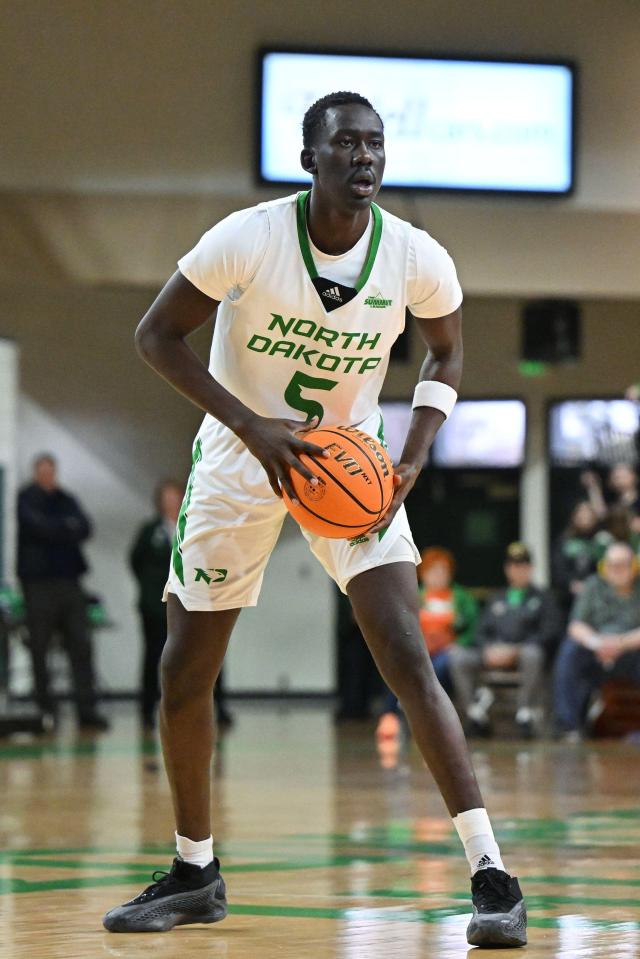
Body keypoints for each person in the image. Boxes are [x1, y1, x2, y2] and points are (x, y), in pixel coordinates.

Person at [102, 91, 526, 947]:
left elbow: (447, 348)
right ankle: (195, 870)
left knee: (407, 651)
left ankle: (492, 874)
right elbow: (157, 336)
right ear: (312, 160)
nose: (364, 158)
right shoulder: (248, 238)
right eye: (346, 145)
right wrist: (251, 426)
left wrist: (417, 446)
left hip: (348, 462)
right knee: (185, 672)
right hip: (239, 459)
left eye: (375, 145)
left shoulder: (413, 255)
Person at [17, 453, 108, 730]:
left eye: (51, 471)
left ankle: (86, 709)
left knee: (81, 646)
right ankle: (45, 710)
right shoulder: (26, 499)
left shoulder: (66, 499)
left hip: (70, 583)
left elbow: (85, 527)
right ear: (36, 473)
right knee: (40, 647)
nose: (47, 476)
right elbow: (39, 528)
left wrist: (59, 529)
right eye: (42, 471)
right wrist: (65, 528)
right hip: (38, 585)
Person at [449, 543, 560, 739]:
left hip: (524, 653)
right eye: (513, 566)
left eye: (523, 565)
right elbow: (480, 632)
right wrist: (488, 650)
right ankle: (475, 714)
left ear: (530, 568)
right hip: (493, 653)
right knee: (458, 657)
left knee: (533, 653)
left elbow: (549, 632)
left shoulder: (544, 597)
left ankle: (524, 713)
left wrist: (515, 650)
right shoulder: (496, 597)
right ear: (507, 569)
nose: (518, 570)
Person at [376, 547, 478, 741]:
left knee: (436, 667)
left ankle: (424, 712)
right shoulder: (414, 596)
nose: (438, 576)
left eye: (443, 571)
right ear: (424, 574)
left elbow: (473, 628)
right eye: (434, 571)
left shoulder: (462, 597)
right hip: (420, 649)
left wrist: (458, 644)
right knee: (395, 664)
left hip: (447, 652)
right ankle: (390, 714)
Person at [553, 541, 640, 739]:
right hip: (595, 651)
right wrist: (597, 643)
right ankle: (569, 726)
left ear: (633, 565)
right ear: (604, 566)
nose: (616, 570)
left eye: (622, 564)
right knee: (570, 650)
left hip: (632, 651)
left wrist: (621, 643)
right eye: (612, 565)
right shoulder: (593, 585)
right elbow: (576, 625)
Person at [552, 501, 600, 619]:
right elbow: (558, 569)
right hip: (569, 599)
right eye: (581, 512)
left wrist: (591, 587)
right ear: (574, 516)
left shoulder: (601, 541)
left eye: (588, 513)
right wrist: (571, 584)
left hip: (598, 598)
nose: (585, 516)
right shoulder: (565, 540)